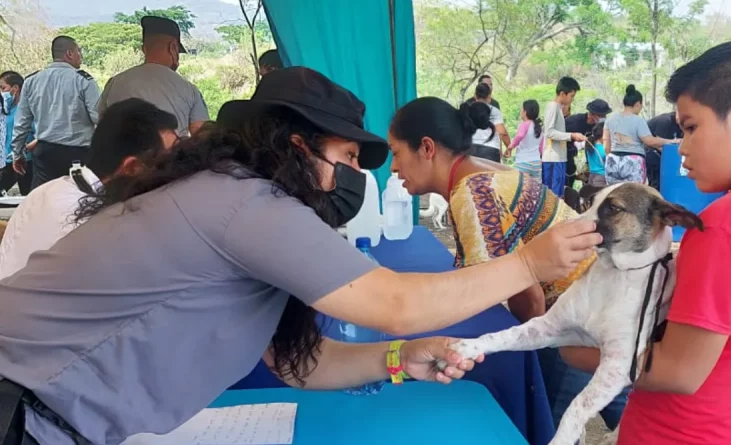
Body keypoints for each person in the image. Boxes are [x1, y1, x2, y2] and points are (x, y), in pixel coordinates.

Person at [0, 67, 600, 445]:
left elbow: (296, 363)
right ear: (294, 144)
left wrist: (399, 358)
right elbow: (392, 301)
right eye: (341, 159)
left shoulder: (229, 199)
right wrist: (528, 264)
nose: (346, 179)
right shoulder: (243, 202)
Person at [562, 37, 731, 445]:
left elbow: (677, 371)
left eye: (690, 128)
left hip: (681, 434)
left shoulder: (727, 224)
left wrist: (566, 343)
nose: (682, 148)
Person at [389, 96, 598, 322]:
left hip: (581, 321)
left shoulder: (473, 194)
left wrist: (530, 355)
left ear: (427, 148)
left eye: (396, 153)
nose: (393, 167)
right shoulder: (483, 173)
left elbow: (531, 300)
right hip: (592, 298)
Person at [0, 98, 180, 280]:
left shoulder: (49, 190)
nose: (176, 168)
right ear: (132, 167)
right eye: (168, 159)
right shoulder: (92, 226)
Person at [11, 36, 100, 191]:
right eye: (79, 51)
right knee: (81, 201)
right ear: (70, 54)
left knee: (42, 199)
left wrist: (17, 154)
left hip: (46, 153)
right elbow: (98, 117)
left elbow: (22, 122)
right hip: (78, 153)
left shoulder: (32, 81)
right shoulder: (84, 81)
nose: (81, 56)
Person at [99, 16, 209, 137]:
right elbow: (201, 135)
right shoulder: (189, 89)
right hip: (171, 155)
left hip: (124, 154)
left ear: (144, 49)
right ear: (173, 48)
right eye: (178, 51)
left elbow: (102, 128)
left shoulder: (114, 83)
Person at [602, 85, 678, 185]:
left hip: (613, 160)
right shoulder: (638, 120)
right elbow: (650, 141)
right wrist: (672, 141)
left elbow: (606, 141)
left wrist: (610, 156)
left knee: (614, 194)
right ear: (638, 104)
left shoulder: (611, 119)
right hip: (632, 161)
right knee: (635, 195)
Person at [542, 77, 586, 198]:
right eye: (571, 96)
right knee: (552, 196)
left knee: (559, 195)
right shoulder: (552, 107)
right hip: (552, 158)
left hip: (560, 157)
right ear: (562, 93)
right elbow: (549, 132)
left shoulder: (559, 109)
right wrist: (571, 136)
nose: (572, 99)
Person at [0, 71, 34, 195]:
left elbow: (39, 135)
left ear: (15, 89)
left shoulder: (26, 111)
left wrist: (24, 149)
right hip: (7, 162)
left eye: (3, 88)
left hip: (24, 161)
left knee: (28, 195)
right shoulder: (6, 110)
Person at [565, 99, 612, 188]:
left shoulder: (600, 127)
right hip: (564, 155)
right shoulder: (573, 122)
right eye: (601, 115)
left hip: (592, 166)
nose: (604, 117)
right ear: (591, 114)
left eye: (605, 115)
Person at [469, 83, 510, 162]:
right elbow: (501, 132)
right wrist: (508, 147)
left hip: (471, 150)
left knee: (474, 174)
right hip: (491, 151)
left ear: (475, 96)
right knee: (491, 174)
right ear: (489, 97)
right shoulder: (494, 111)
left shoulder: (469, 110)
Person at [646, 111, 683, 190]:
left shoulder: (682, 127)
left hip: (666, 155)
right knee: (657, 181)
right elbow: (658, 144)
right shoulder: (665, 121)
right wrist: (674, 157)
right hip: (651, 151)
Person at [506, 99, 543, 179]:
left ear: (525, 112)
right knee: (535, 188)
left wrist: (510, 146)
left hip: (523, 161)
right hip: (536, 162)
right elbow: (541, 147)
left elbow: (519, 136)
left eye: (521, 110)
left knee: (521, 186)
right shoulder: (540, 127)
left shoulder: (525, 124)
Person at [583, 122, 607, 187]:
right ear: (603, 135)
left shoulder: (590, 145)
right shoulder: (604, 149)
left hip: (591, 177)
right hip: (601, 178)